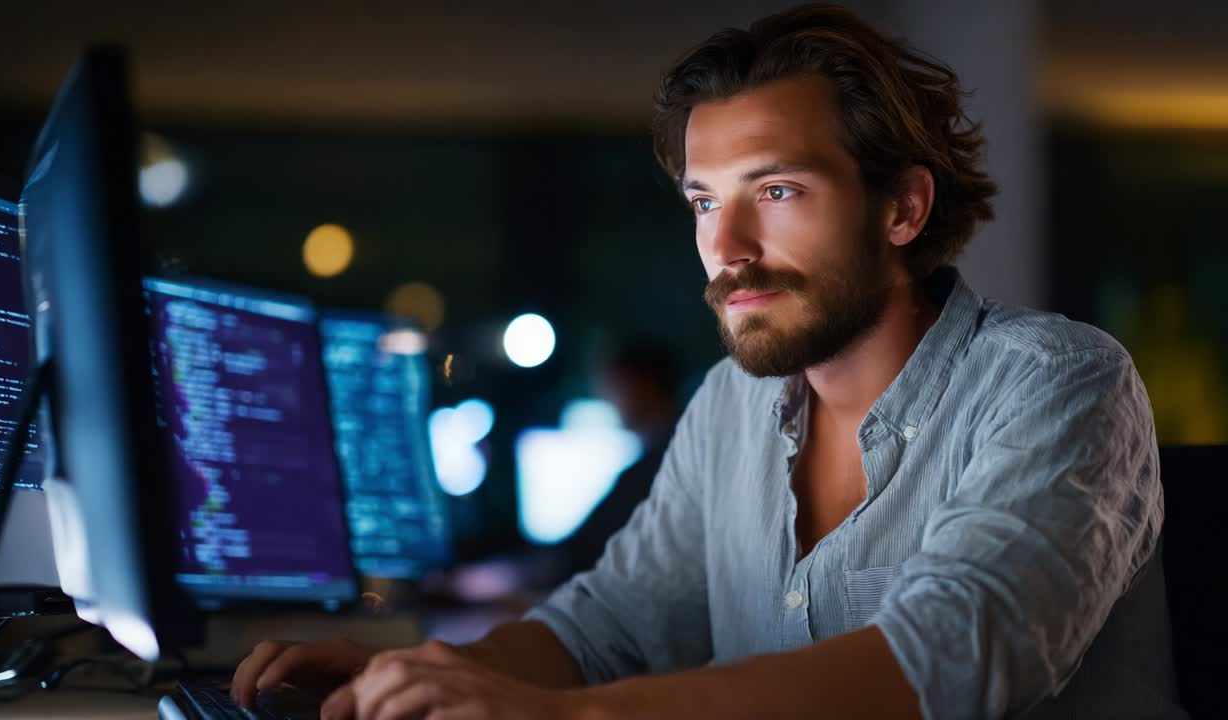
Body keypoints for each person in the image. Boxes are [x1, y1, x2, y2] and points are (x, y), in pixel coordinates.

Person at [231, 4, 1185, 718]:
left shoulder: (1058, 380)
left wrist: (573, 718)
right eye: (701, 201)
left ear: (902, 209)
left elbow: (953, 654)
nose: (726, 246)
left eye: (775, 190)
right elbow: (610, 625)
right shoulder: (732, 401)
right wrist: (423, 673)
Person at [560, 341, 681, 576]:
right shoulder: (665, 455)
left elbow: (586, 550)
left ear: (644, 386)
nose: (607, 398)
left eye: (614, 386)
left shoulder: (657, 468)